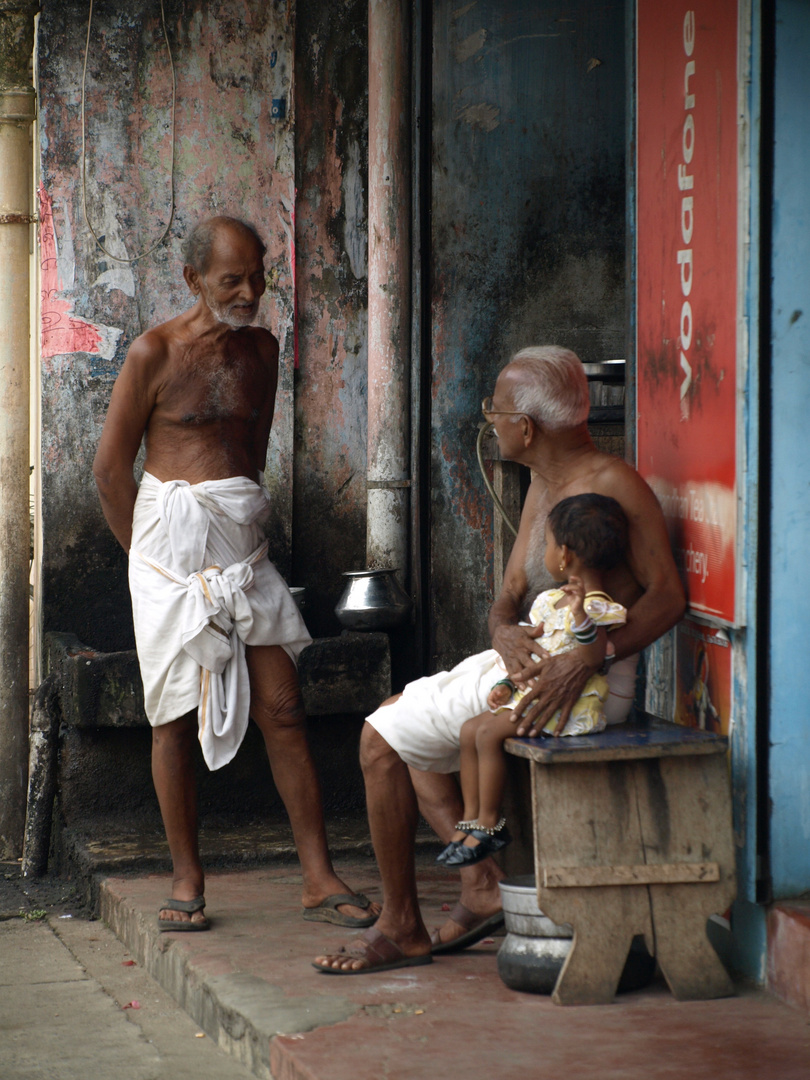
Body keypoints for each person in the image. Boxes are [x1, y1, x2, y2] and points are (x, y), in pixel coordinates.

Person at [313, 345, 685, 975]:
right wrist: (501, 630)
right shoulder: (543, 483)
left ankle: (403, 926)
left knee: (380, 737)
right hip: (519, 662)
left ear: (528, 427)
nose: (492, 421)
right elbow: (510, 597)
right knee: (402, 721)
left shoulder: (614, 485)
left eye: (496, 410)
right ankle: (482, 884)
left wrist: (593, 656)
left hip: (571, 678)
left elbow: (669, 596)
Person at [93, 215, 379, 932]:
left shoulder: (263, 351)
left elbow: (249, 455)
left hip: (238, 549)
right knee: (173, 722)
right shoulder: (152, 353)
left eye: (258, 276)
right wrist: (149, 563)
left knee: (284, 707)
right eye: (232, 280)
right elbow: (108, 470)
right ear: (194, 282)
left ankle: (318, 877)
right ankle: (187, 880)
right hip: (165, 558)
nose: (251, 291)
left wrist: (239, 528)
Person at [437, 493, 629, 868]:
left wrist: (581, 619)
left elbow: (592, 658)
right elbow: (531, 653)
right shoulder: (546, 601)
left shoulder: (597, 608)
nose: (544, 552)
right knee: (469, 730)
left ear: (564, 554)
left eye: (547, 543)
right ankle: (471, 819)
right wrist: (507, 685)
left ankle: (490, 824)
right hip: (531, 696)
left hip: (566, 706)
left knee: (488, 735)